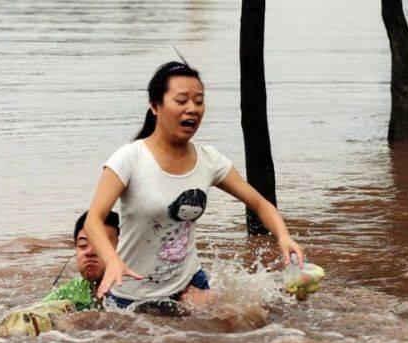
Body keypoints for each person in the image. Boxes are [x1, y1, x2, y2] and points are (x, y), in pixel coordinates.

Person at [84, 61, 304, 309]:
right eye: (181, 101)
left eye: (199, 101)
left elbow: (259, 203)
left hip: (189, 283)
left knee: (239, 324)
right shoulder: (130, 158)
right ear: (155, 106)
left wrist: (284, 237)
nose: (192, 109)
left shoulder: (209, 160)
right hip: (132, 293)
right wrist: (112, 261)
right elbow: (94, 220)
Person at [42, 211, 119, 311]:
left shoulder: (136, 291)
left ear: (123, 248)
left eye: (100, 245)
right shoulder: (71, 290)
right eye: (83, 245)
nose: (89, 252)